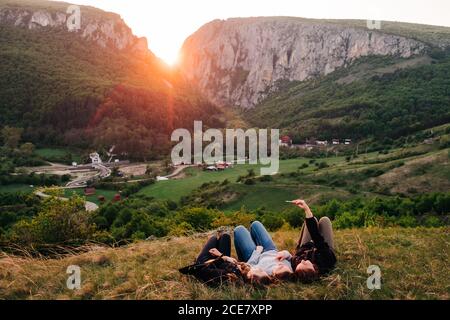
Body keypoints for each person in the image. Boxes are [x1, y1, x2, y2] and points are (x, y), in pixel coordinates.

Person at [289, 200, 337, 282]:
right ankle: (312, 220)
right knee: (325, 220)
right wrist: (307, 210)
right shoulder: (326, 260)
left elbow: (291, 259)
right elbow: (317, 238)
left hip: (305, 246)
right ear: (314, 270)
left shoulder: (297, 263)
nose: (303, 261)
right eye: (305, 264)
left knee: (312, 220)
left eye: (300, 263)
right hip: (325, 248)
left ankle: (311, 221)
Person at [179, 231, 244, 287]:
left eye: (242, 267)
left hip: (204, 263)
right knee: (225, 236)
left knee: (213, 238)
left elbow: (206, 267)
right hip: (220, 261)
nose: (239, 265)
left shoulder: (227, 275)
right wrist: (220, 255)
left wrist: (224, 257)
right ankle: (217, 242)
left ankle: (212, 243)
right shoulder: (241, 270)